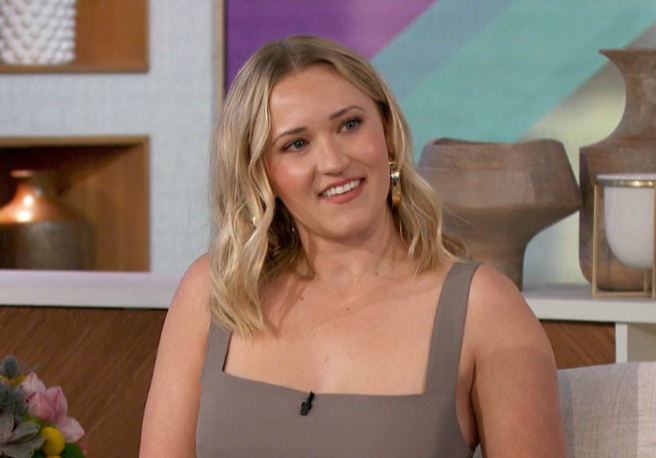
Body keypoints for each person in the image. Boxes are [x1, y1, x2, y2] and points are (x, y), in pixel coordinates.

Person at [140, 36, 567, 457]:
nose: (334, 162)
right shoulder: (214, 293)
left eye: (349, 125)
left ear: (388, 133)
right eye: (296, 144)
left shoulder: (485, 309)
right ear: (261, 173)